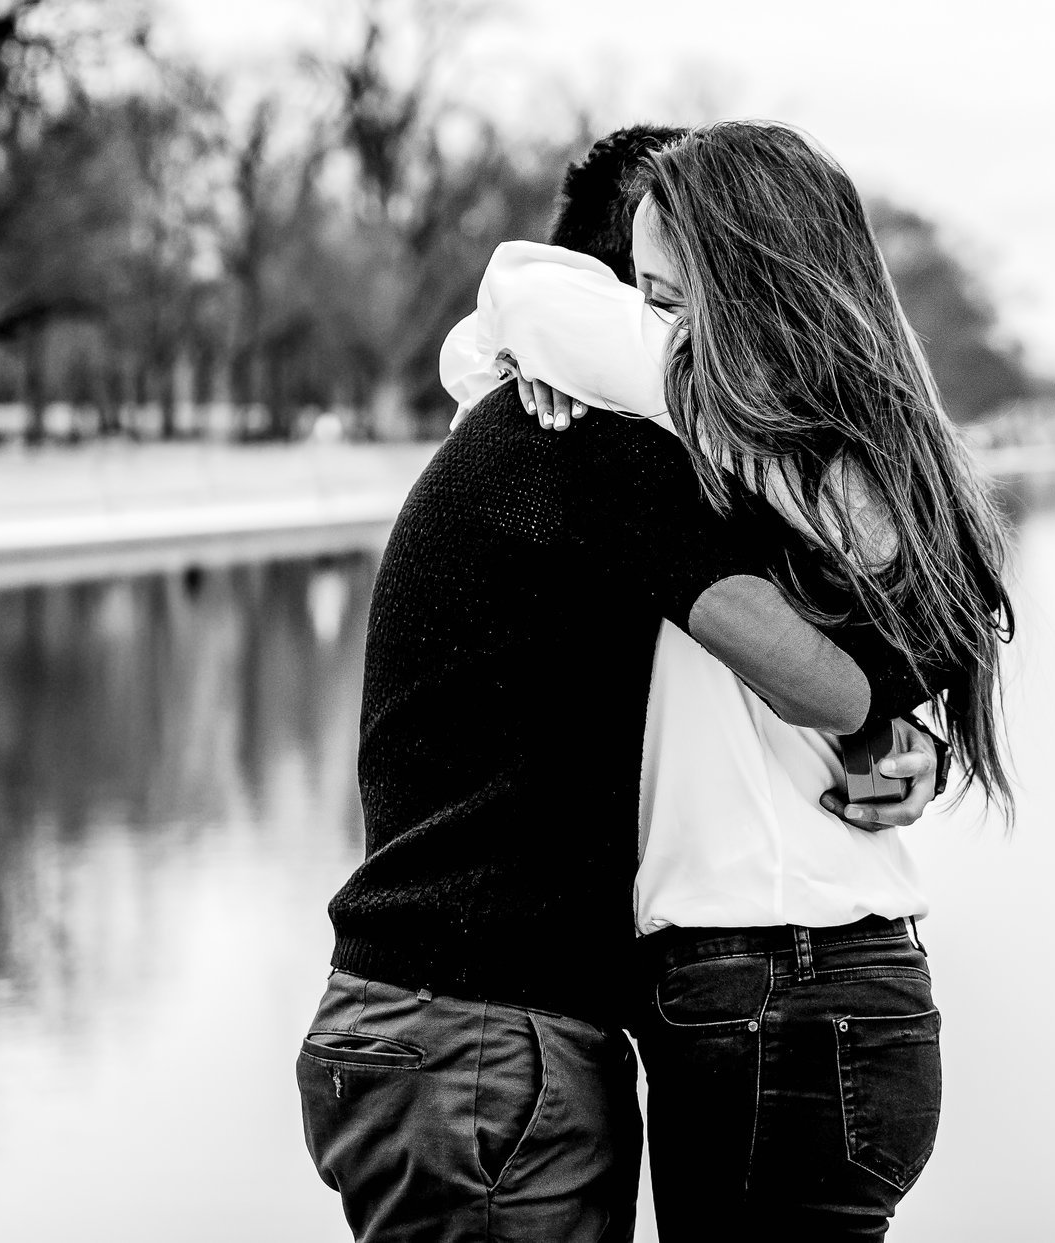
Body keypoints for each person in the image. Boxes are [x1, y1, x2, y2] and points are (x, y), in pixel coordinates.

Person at [295, 127, 943, 1243]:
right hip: (484, 1034)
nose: (676, 332)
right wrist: (890, 705)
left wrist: (911, 738)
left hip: (447, 1026)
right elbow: (830, 677)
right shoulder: (594, 443)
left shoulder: (589, 433)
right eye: (656, 300)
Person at [456, 120, 1014, 1241]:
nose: (646, 322)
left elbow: (521, 289)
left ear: (750, 286)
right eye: (642, 295)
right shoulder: (838, 446)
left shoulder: (717, 424)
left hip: (770, 993)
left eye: (667, 295)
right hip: (841, 983)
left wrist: (527, 358)